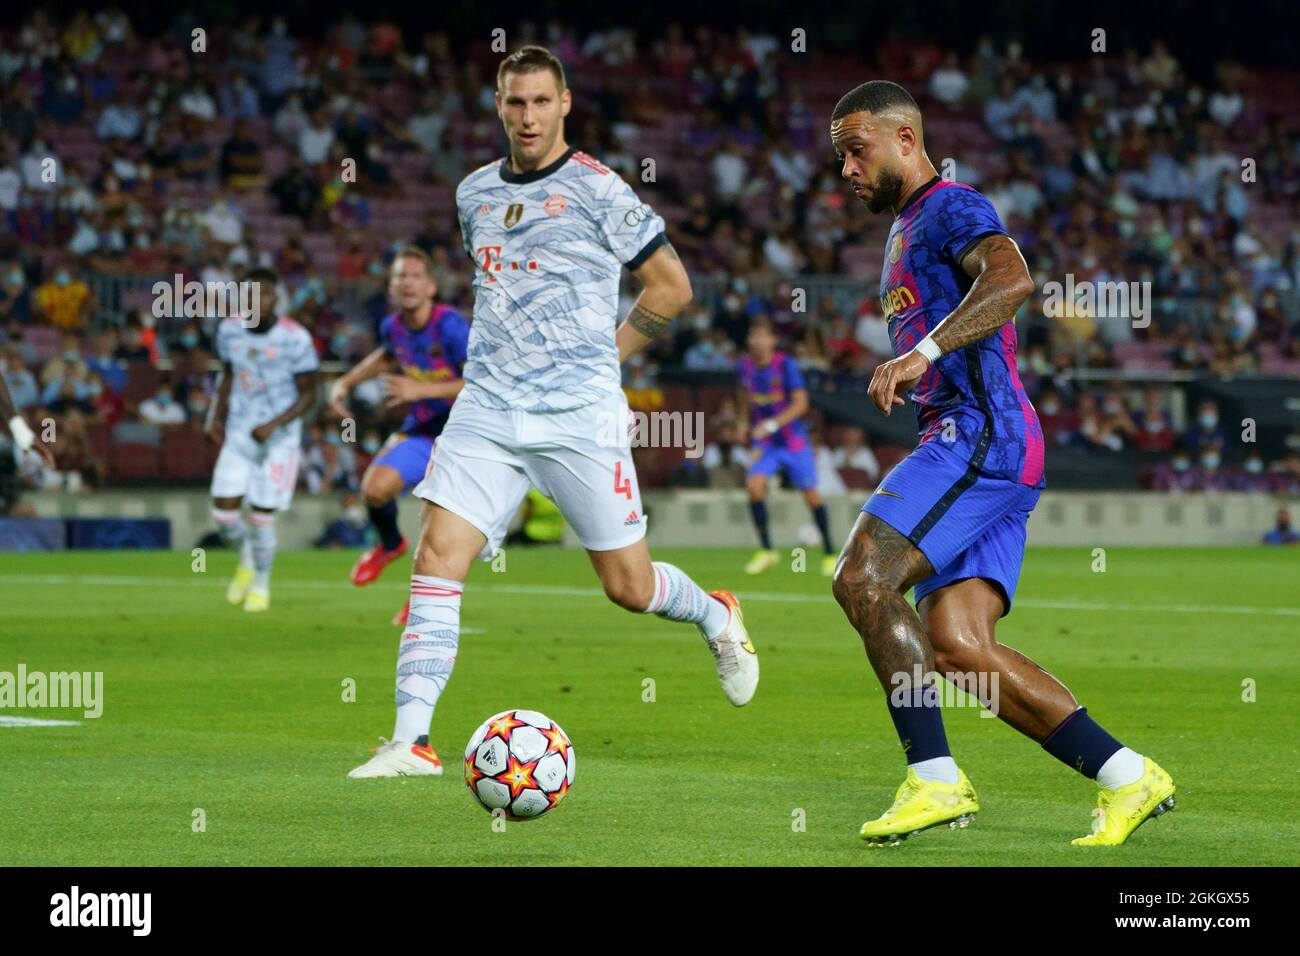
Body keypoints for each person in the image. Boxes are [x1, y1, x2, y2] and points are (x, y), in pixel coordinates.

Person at [348, 45, 758, 779]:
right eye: (515, 102)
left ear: (564, 103)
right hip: (489, 406)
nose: (528, 116)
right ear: (498, 106)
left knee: (628, 588)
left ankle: (716, 611)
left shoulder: (601, 189)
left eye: (541, 101)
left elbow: (671, 287)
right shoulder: (473, 193)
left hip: (579, 414)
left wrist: (609, 353)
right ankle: (411, 740)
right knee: (437, 555)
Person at [829, 80, 1174, 847]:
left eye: (857, 149)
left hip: (978, 436)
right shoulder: (901, 231)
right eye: (839, 156)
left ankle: (935, 779)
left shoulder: (949, 205)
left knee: (862, 577)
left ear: (906, 140)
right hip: (994, 442)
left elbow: (1013, 278)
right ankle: (1128, 776)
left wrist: (923, 351)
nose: (846, 169)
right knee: (957, 645)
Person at [327, 246, 469, 625]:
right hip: (423, 431)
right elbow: (387, 357)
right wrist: (346, 381)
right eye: (399, 276)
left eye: (415, 276)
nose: (406, 283)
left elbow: (480, 381)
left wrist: (420, 391)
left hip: (466, 436)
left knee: (439, 523)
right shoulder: (393, 326)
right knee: (374, 488)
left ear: (432, 287)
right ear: (391, 287)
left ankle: (424, 602)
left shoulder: (451, 326)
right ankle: (390, 544)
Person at [205, 268, 319, 612]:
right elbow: (227, 375)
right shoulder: (228, 331)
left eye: (265, 294)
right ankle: (247, 558)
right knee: (224, 516)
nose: (257, 301)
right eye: (250, 294)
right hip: (240, 434)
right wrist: (215, 415)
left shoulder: (295, 338)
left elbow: (311, 393)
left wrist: (274, 424)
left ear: (276, 298)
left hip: (279, 440)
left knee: (260, 514)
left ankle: (261, 585)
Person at [736, 316, 837, 577]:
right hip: (766, 444)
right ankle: (767, 550)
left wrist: (771, 424)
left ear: (773, 340)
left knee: (811, 495)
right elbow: (744, 397)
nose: (757, 341)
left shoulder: (785, 365)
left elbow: (801, 404)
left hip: (792, 441)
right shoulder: (745, 366)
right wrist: (742, 423)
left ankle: (828, 552)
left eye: (762, 336)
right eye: (753, 336)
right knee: (754, 487)